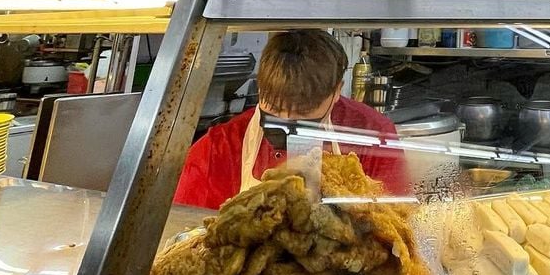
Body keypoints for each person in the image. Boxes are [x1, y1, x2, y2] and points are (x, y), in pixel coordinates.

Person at [175, 30, 410, 208]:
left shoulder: (372, 136)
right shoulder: (217, 150)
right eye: (275, 108)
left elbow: (396, 227)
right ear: (260, 88)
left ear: (337, 91)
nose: (286, 120)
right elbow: (183, 229)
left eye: (304, 111)